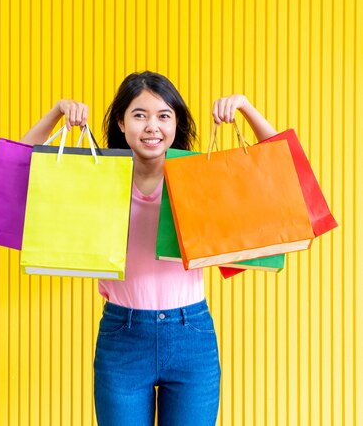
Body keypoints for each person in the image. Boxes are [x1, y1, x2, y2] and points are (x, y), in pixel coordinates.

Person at [21, 71, 277, 426]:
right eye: (139, 115)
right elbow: (18, 168)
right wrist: (56, 114)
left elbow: (281, 168)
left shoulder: (199, 178)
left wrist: (246, 108)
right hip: (122, 337)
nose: (151, 126)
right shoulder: (98, 178)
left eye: (163, 116)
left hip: (192, 336)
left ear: (176, 124)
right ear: (122, 124)